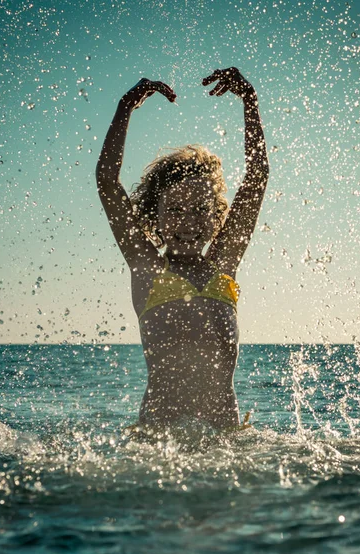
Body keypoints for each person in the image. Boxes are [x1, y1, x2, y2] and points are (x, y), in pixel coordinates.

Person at [96, 67, 268, 432]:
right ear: (154, 217)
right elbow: (108, 182)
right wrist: (124, 108)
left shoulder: (224, 264)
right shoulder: (147, 267)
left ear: (218, 214)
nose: (189, 223)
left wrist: (250, 103)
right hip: (160, 446)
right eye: (174, 210)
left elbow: (256, 179)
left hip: (226, 446)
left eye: (201, 210)